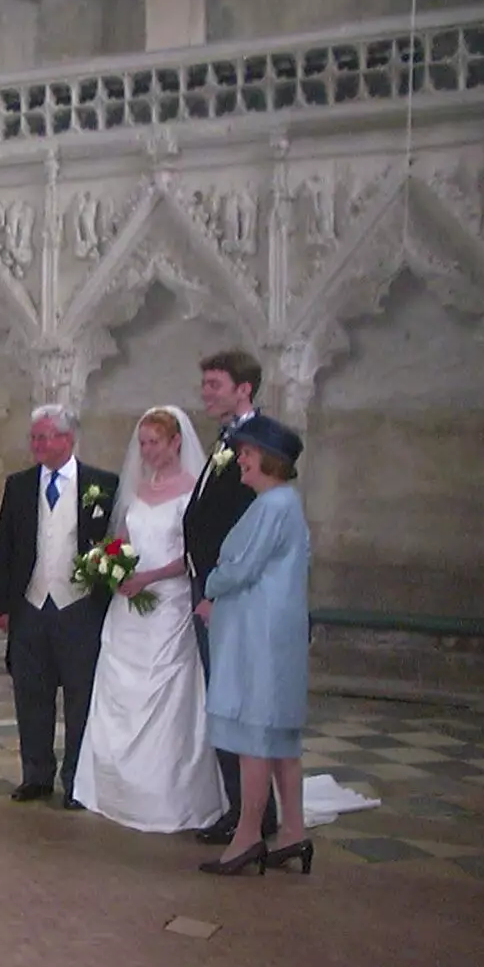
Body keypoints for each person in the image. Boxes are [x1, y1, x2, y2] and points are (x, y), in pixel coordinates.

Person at [71, 407, 226, 832]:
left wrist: (150, 577)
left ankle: (167, 795)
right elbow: (123, 537)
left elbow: (194, 555)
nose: (146, 450)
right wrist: (111, 565)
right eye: (141, 443)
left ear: (176, 442)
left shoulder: (193, 490)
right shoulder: (137, 487)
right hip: (130, 605)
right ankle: (111, 788)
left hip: (170, 604)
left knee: (169, 692)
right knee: (118, 687)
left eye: (154, 442)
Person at [198, 414, 314, 877]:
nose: (240, 459)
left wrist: (209, 583)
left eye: (246, 453)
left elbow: (240, 568)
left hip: (257, 637)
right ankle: (294, 831)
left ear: (269, 459)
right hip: (272, 633)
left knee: (254, 736)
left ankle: (248, 836)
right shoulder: (285, 502)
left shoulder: (272, 505)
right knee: (280, 737)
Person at [0, 404, 118, 809]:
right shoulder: (19, 485)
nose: (37, 444)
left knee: (80, 697)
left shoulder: (102, 484)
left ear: (68, 439)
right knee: (31, 692)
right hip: (30, 603)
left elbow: (116, 544)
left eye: (45, 437)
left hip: (79, 605)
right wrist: (2, 603)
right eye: (34, 437)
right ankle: (36, 774)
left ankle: (76, 780)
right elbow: (5, 546)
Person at [183, 349, 278, 845]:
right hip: (209, 585)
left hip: (229, 594)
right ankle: (246, 809)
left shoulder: (256, 442)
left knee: (235, 703)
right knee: (225, 702)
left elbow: (251, 527)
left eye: (214, 384)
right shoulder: (227, 441)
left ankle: (252, 816)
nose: (206, 393)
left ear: (243, 389)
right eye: (205, 384)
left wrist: (219, 593)